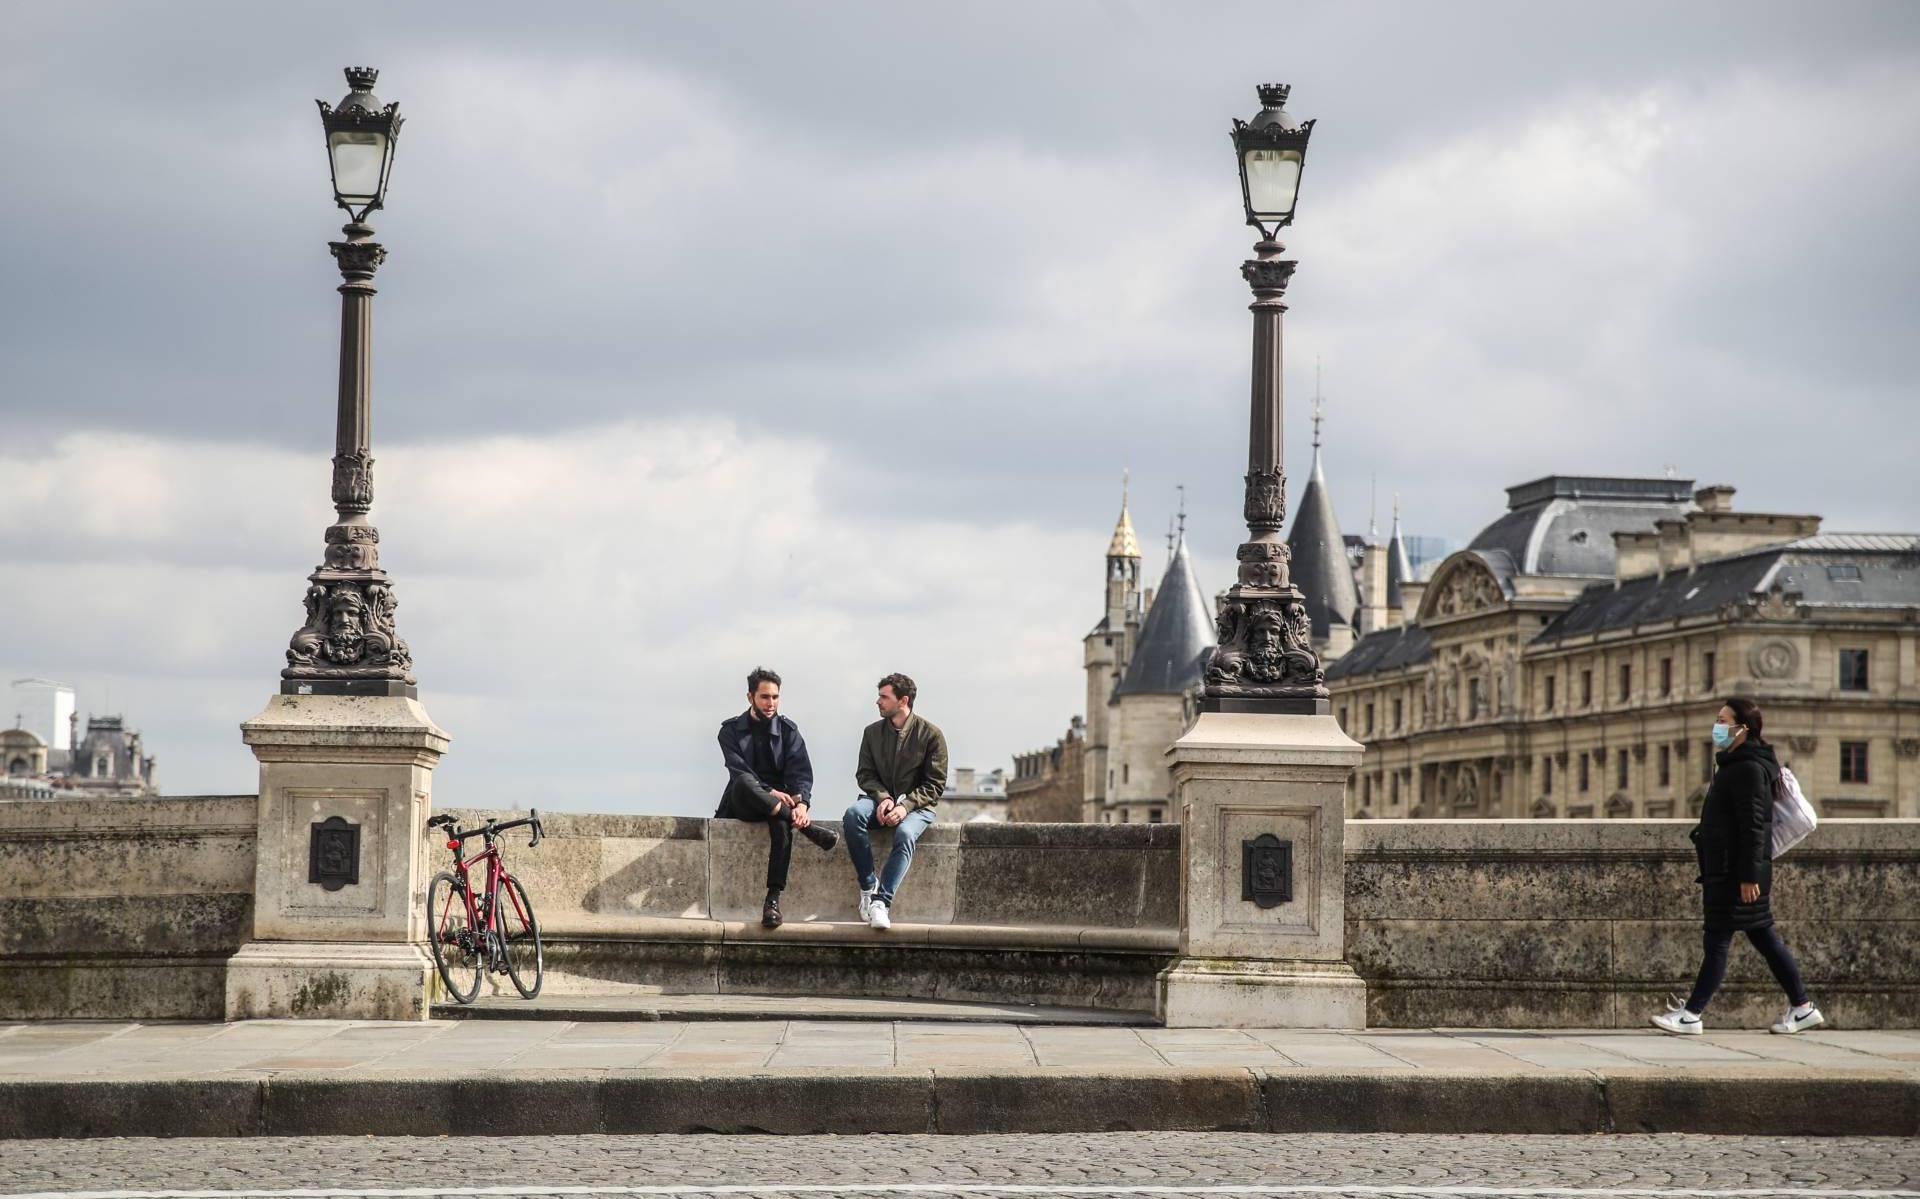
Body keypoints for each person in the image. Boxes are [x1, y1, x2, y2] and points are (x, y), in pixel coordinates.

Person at [1653, 696, 1823, 1036]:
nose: (1716, 726)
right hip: (1734, 868)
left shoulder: (1746, 769)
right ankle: (1802, 1007)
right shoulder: (1741, 763)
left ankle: (1691, 1014)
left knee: (1717, 939)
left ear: (1742, 729)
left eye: (1722, 720)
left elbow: (1754, 825)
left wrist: (1747, 876)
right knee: (1764, 939)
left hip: (1736, 872)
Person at [716, 667, 836, 929]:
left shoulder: (789, 731)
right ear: (750, 697)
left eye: (775, 697)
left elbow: (801, 772)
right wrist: (770, 792)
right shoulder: (729, 731)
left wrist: (802, 805)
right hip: (743, 801)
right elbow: (738, 770)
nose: (771, 703)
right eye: (765, 697)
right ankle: (809, 830)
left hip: (780, 806)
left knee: (783, 827)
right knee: (745, 781)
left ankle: (772, 900)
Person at [842, 672, 948, 931]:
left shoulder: (931, 735)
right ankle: (868, 887)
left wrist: (905, 806)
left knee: (905, 833)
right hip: (877, 801)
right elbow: (864, 774)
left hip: (918, 807)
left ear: (903, 701)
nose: (877, 702)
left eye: (883, 697)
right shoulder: (871, 733)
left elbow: (935, 784)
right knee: (853, 814)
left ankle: (882, 902)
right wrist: (883, 798)